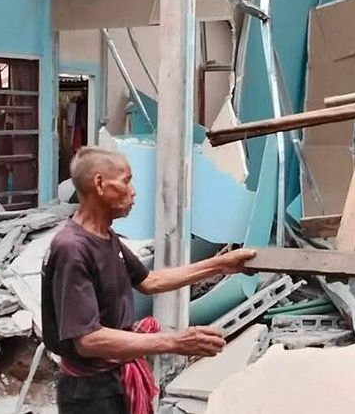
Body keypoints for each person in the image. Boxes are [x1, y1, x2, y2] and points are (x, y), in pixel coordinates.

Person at [43, 146, 256, 414]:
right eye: (126, 180)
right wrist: (175, 342)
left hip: (114, 379)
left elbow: (150, 281)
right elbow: (88, 340)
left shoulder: (106, 237)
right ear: (99, 183)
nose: (133, 191)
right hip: (90, 392)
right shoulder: (72, 248)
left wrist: (220, 265)